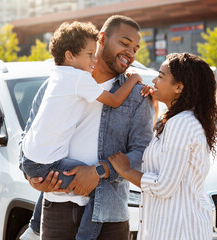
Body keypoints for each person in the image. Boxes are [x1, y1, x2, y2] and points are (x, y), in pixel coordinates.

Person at [19, 15, 155, 240]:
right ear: (102, 38)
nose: (131, 53)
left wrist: (100, 171)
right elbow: (27, 135)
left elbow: (142, 154)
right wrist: (30, 177)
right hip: (55, 209)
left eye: (136, 49)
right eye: (124, 43)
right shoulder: (56, 83)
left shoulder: (137, 96)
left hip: (108, 214)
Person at [108, 52, 217, 240]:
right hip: (174, 227)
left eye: (160, 76)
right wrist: (155, 107)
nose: (154, 81)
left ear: (179, 87)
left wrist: (124, 170)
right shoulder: (180, 121)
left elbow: (163, 186)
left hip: (178, 231)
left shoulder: (181, 123)